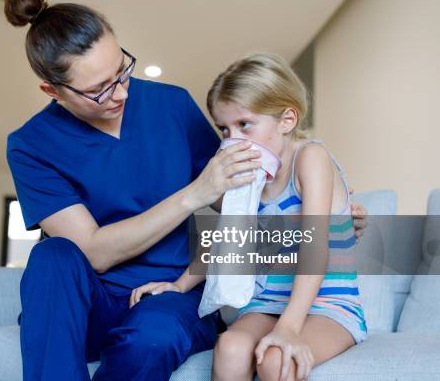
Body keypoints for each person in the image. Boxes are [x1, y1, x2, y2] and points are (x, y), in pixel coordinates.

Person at [4, 0, 368, 380]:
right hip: (92, 304)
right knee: (51, 255)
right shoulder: (30, 145)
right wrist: (193, 194)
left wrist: (327, 216)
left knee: (153, 336)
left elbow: (236, 205)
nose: (121, 93)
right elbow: (92, 251)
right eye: (98, 90)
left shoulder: (172, 104)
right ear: (52, 90)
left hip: (169, 298)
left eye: (121, 71)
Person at [130, 53, 367, 381]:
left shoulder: (311, 158)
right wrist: (179, 285)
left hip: (327, 306)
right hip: (266, 303)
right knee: (229, 347)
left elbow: (315, 248)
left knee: (275, 359)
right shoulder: (248, 179)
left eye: (245, 125)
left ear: (286, 120)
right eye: (224, 129)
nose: (233, 140)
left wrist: (288, 327)